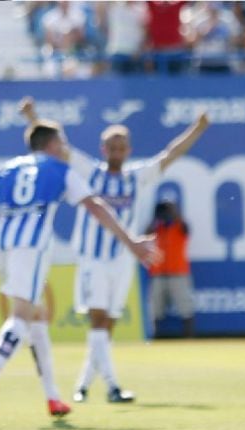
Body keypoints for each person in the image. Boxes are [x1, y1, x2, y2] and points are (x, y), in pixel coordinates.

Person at [19, 98, 209, 404]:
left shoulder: (138, 176)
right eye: (112, 147)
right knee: (98, 321)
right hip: (93, 258)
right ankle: (112, 386)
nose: (117, 152)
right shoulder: (89, 171)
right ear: (103, 149)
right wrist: (32, 116)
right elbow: (57, 146)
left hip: (123, 259)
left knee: (107, 325)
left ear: (129, 150)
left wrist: (197, 129)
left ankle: (82, 385)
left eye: (122, 147)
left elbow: (171, 154)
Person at [0, 119, 159, 418]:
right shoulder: (60, 169)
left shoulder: (4, 169)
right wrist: (131, 242)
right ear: (52, 144)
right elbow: (95, 206)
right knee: (21, 315)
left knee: (38, 317)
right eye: (62, 142)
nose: (65, 147)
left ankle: (53, 397)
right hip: (31, 245)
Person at [146, 200, 194, 338]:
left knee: (186, 307)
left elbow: (186, 228)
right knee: (155, 309)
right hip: (158, 274)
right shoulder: (157, 229)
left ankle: (189, 339)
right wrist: (156, 217)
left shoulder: (179, 226)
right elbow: (146, 234)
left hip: (178, 274)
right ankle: (155, 339)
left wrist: (173, 212)